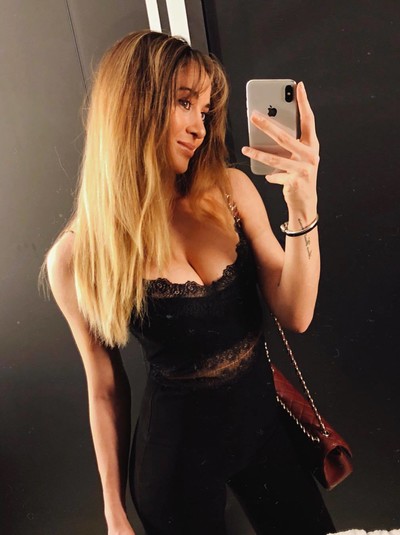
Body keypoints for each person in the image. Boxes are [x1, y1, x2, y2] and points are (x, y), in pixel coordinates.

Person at [40, 30, 335, 535]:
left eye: (204, 110)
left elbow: (297, 313)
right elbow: (105, 387)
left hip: (264, 433)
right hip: (174, 462)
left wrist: (303, 205)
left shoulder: (231, 191)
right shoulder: (77, 255)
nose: (200, 127)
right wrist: (113, 511)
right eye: (184, 103)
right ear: (133, 104)